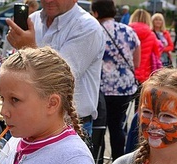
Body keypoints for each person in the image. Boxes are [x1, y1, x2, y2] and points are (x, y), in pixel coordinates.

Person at [6, 0, 105, 138]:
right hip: (27, 122)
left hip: (68, 126)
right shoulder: (33, 20)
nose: (48, 0)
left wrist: (28, 48)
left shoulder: (87, 27)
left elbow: (59, 79)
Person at [92, 0, 139, 161]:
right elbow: (137, 62)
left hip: (101, 88)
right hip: (125, 87)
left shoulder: (94, 31)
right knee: (118, 127)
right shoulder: (129, 31)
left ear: (96, 13)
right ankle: (119, 163)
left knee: (99, 128)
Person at [128, 9, 160, 84]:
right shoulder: (151, 35)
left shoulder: (126, 32)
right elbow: (157, 55)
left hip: (127, 73)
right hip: (144, 75)